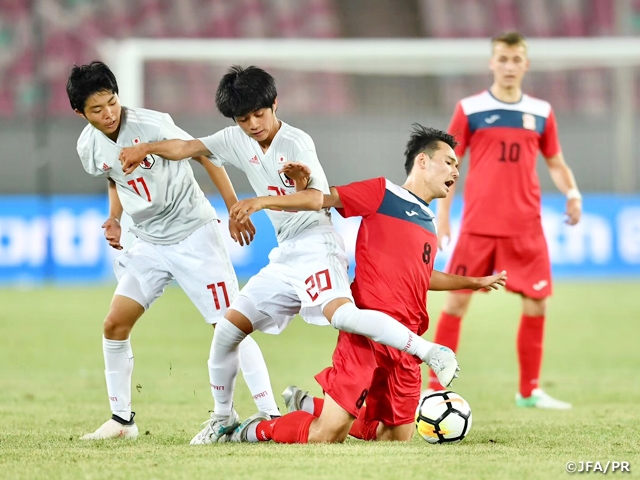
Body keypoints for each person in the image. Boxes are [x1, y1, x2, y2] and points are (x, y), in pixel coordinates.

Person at [118, 66, 461, 444]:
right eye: (243, 118)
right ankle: (223, 418)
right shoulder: (234, 139)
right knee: (228, 331)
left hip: (317, 243)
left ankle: (429, 350)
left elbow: (314, 198)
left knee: (344, 317)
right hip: (286, 255)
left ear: (274, 104)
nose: (252, 124)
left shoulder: (296, 143)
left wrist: (264, 199)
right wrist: (146, 148)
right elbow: (186, 148)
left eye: (259, 114)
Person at [221, 124, 507, 444]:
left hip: (407, 339)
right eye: (450, 161)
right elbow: (321, 200)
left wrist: (473, 281)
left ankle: (312, 404)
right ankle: (255, 429)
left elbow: (422, 276)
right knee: (326, 436)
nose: (456, 169)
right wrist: (262, 202)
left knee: (394, 439)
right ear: (423, 162)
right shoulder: (383, 193)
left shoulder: (427, 221)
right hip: (367, 332)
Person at [66, 61, 280, 440]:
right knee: (115, 324)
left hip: (193, 235)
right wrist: (114, 218)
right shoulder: (88, 146)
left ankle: (269, 413)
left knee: (230, 327)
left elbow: (205, 155)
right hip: (149, 242)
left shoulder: (152, 124)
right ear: (80, 113)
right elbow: (114, 179)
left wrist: (232, 206)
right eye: (97, 109)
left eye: (112, 102)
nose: (109, 113)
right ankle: (121, 421)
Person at [427, 32, 582, 409]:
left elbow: (555, 162)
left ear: (525, 65)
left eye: (516, 60)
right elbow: (449, 163)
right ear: (491, 63)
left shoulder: (542, 112)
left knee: (536, 305)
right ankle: (434, 387)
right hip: (479, 226)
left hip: (525, 228)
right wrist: (442, 215)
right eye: (503, 58)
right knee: (455, 305)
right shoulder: (470, 108)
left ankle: (529, 391)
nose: (509, 66)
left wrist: (572, 192)